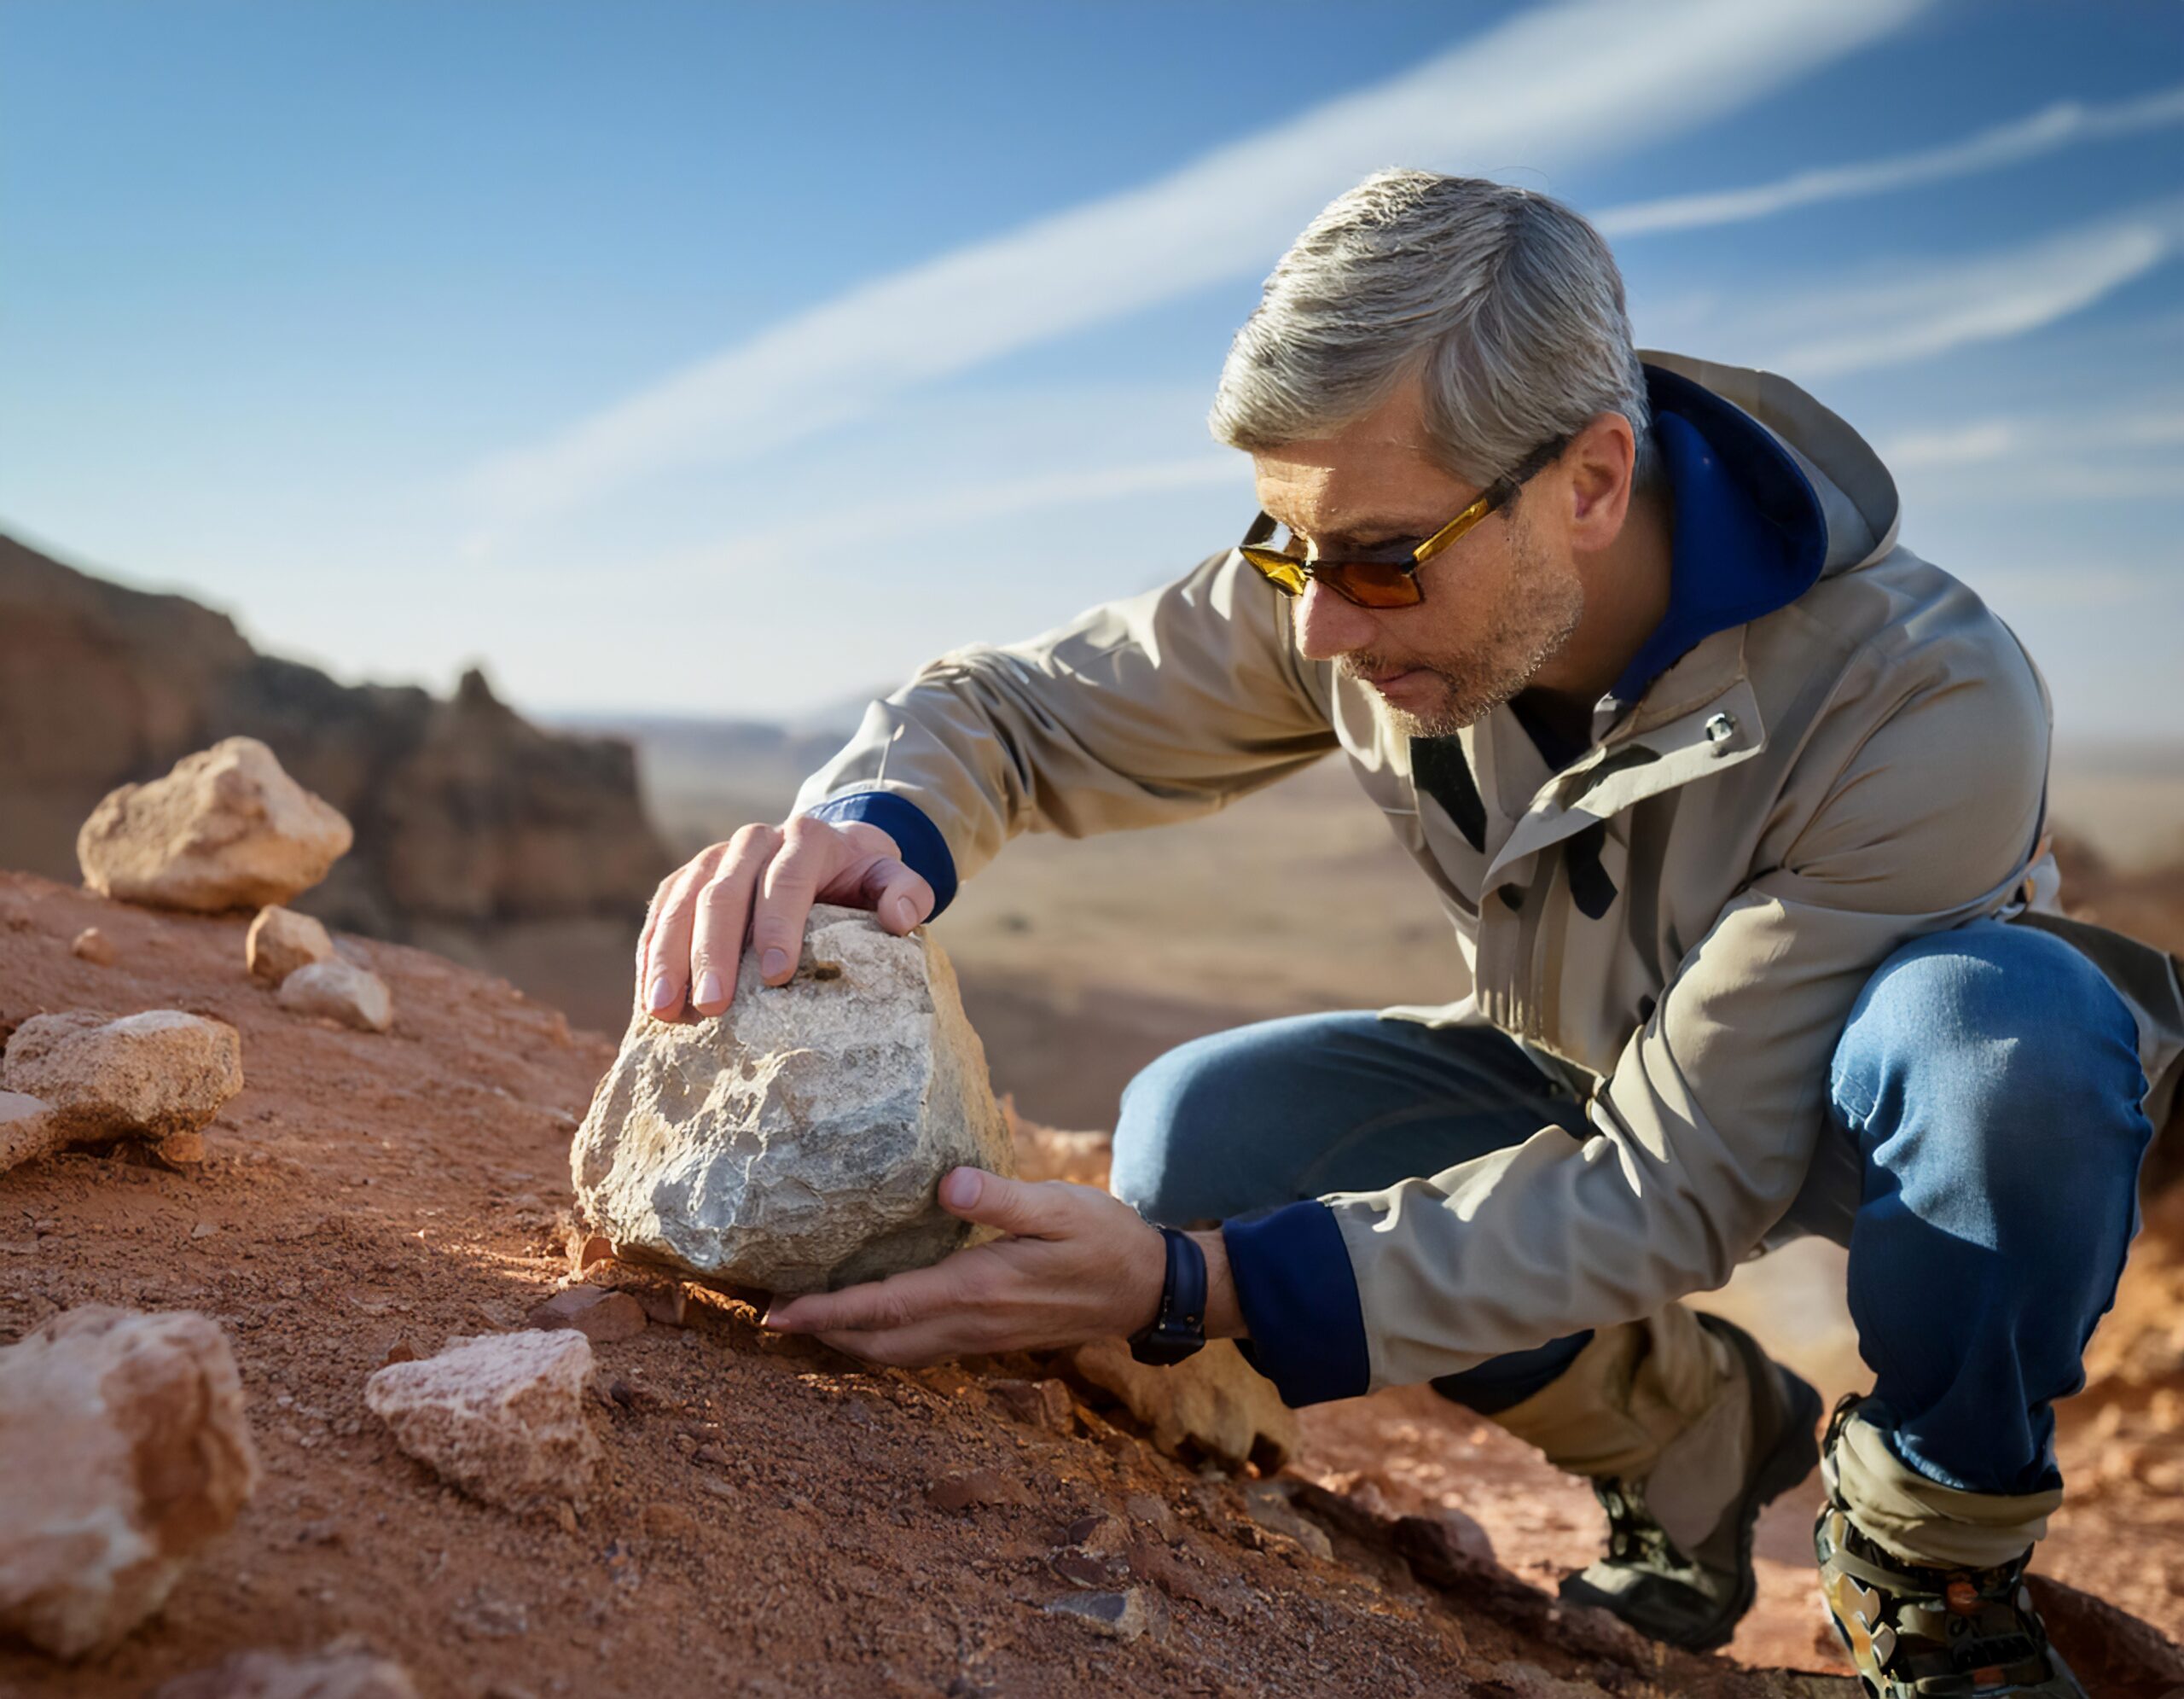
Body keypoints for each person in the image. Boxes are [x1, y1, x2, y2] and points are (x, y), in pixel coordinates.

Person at [633, 171, 2183, 1694]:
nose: (1319, 626)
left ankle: (1934, 1566)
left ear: (1588, 481)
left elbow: (1681, 1178)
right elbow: (1019, 709)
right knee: (1208, 1143)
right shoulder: (1352, 568)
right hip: (1580, 1068)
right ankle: (1699, 1440)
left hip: (1868, 1117)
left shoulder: (1926, 691)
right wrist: (866, 825)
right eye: (1286, 551)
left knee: (2003, 1054)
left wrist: (1186, 1294)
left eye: (1376, 561)